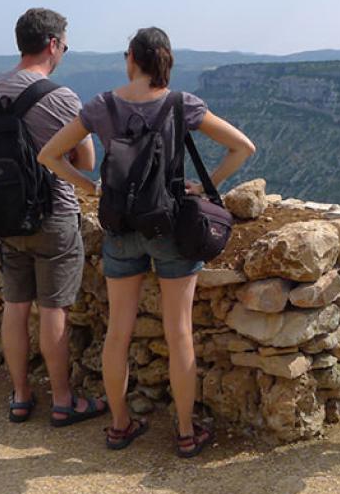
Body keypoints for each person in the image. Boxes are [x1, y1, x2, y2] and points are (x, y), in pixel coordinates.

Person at [39, 26, 255, 457]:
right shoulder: (180, 104)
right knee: (180, 334)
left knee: (117, 334)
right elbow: (243, 147)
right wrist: (204, 186)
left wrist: (90, 187)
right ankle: (186, 432)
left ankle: (120, 426)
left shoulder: (102, 105)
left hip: (121, 228)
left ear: (132, 59)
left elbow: (49, 155)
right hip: (170, 228)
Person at [0, 7, 104, 427]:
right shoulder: (60, 96)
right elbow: (86, 161)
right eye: (65, 45)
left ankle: (19, 396)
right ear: (52, 44)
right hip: (53, 213)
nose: (65, 52)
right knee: (54, 310)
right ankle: (63, 400)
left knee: (15, 306)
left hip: (5, 213)